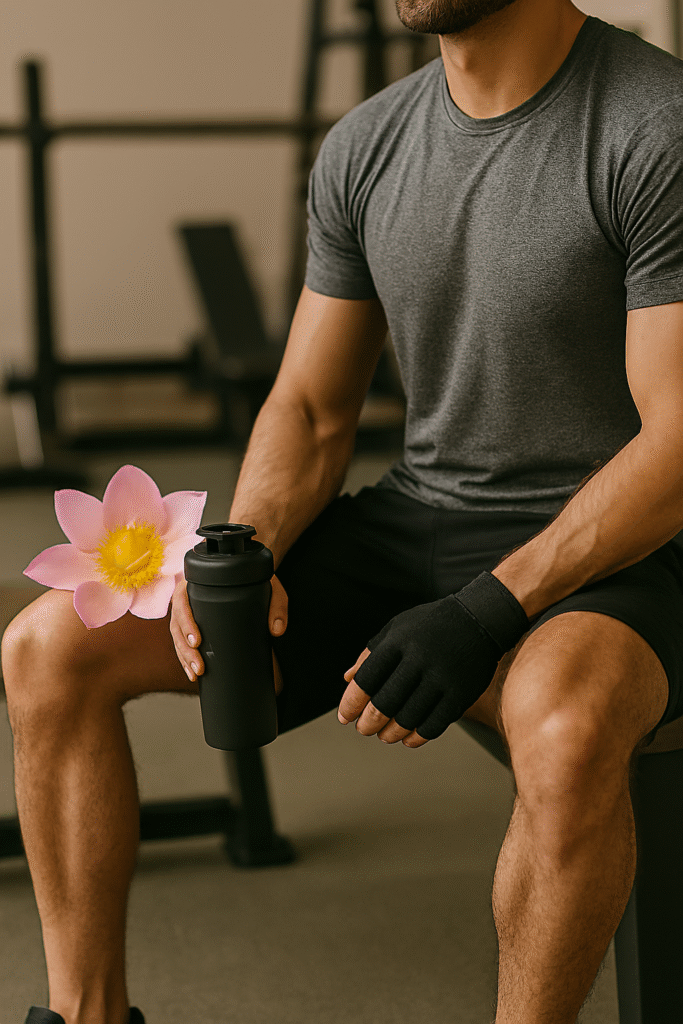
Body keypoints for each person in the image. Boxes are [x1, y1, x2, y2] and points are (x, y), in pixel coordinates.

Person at [3, 0, 683, 1021]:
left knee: (565, 720)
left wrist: (489, 610)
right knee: (48, 645)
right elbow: (314, 409)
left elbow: (672, 447)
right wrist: (252, 546)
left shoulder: (651, 127)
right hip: (417, 513)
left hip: (614, 542)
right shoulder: (365, 146)